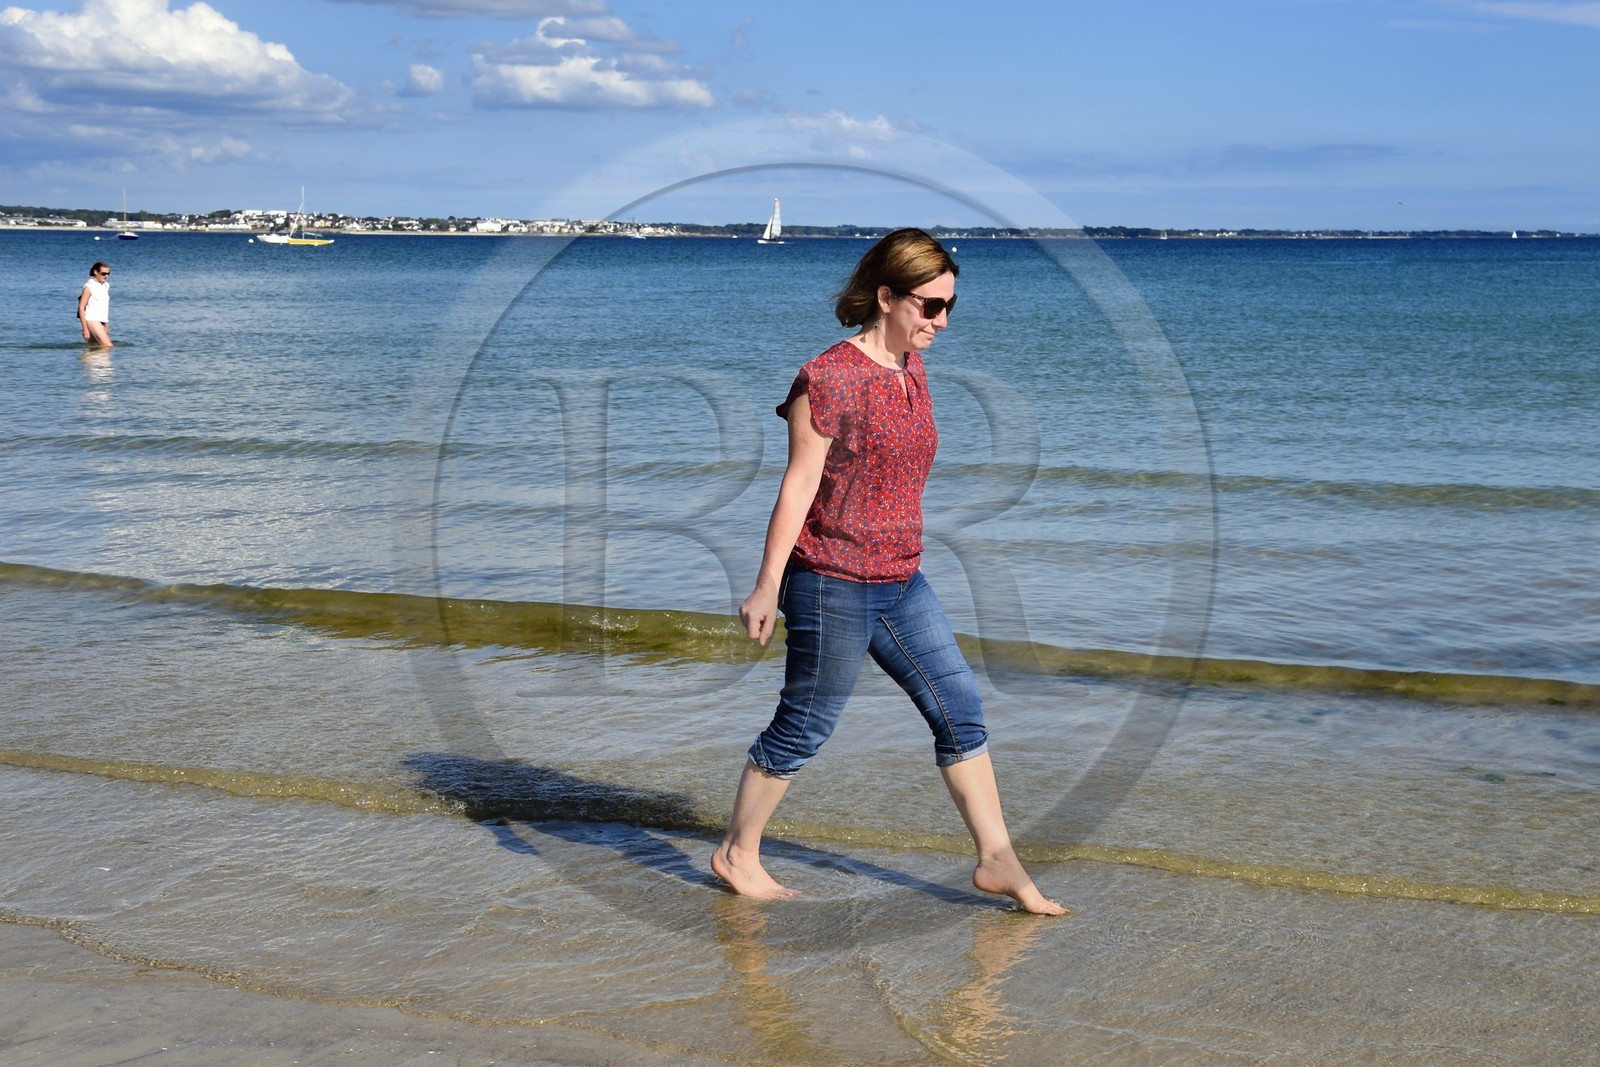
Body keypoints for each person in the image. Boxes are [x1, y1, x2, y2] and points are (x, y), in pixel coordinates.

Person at [710, 228, 1066, 915]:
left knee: (959, 710)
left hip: (903, 579)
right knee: (805, 725)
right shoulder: (827, 376)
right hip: (832, 579)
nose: (940, 322)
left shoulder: (911, 366)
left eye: (949, 308)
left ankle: (996, 859)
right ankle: (736, 853)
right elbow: (799, 483)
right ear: (885, 297)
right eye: (928, 306)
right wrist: (765, 583)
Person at [77, 261, 112, 347]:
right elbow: (81, 308)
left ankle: (87, 360)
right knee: (108, 346)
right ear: (96, 272)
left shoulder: (106, 285)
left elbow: (104, 307)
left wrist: (106, 325)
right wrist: (85, 329)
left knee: (93, 347)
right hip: (92, 319)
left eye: (108, 273)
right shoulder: (89, 286)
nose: (106, 276)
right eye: (103, 274)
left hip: (102, 320)